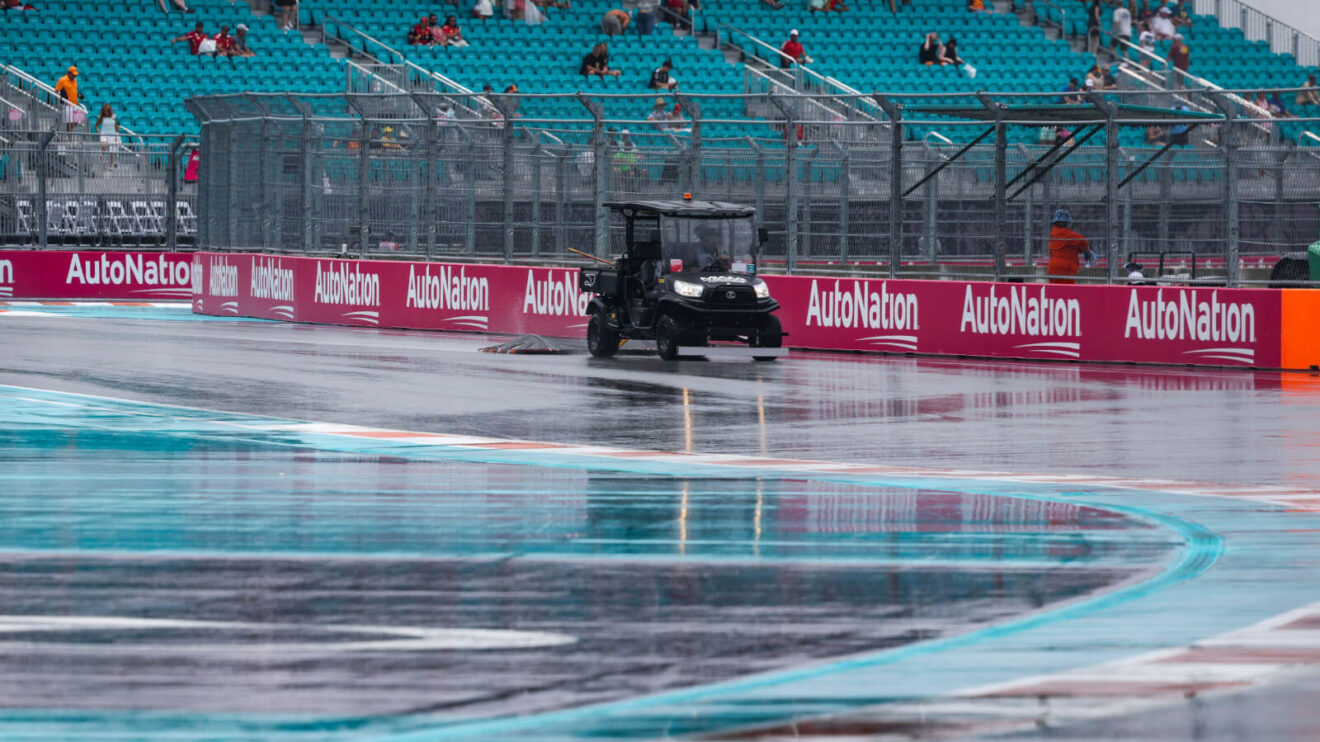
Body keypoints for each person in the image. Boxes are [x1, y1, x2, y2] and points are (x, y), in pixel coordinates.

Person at [1047, 208, 1089, 284]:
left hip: (1053, 267)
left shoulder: (1053, 233)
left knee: (1055, 291)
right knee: (1067, 291)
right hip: (1066, 268)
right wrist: (1086, 250)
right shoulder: (1068, 234)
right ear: (1067, 222)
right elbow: (1083, 241)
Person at [54, 66, 83, 132]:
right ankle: (69, 137)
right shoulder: (62, 80)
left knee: (78, 120)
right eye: (73, 75)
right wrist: (58, 102)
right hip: (67, 104)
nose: (74, 76)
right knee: (69, 122)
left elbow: (74, 91)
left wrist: (79, 95)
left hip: (75, 103)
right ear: (69, 73)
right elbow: (56, 91)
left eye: (75, 75)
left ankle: (69, 133)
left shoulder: (75, 81)